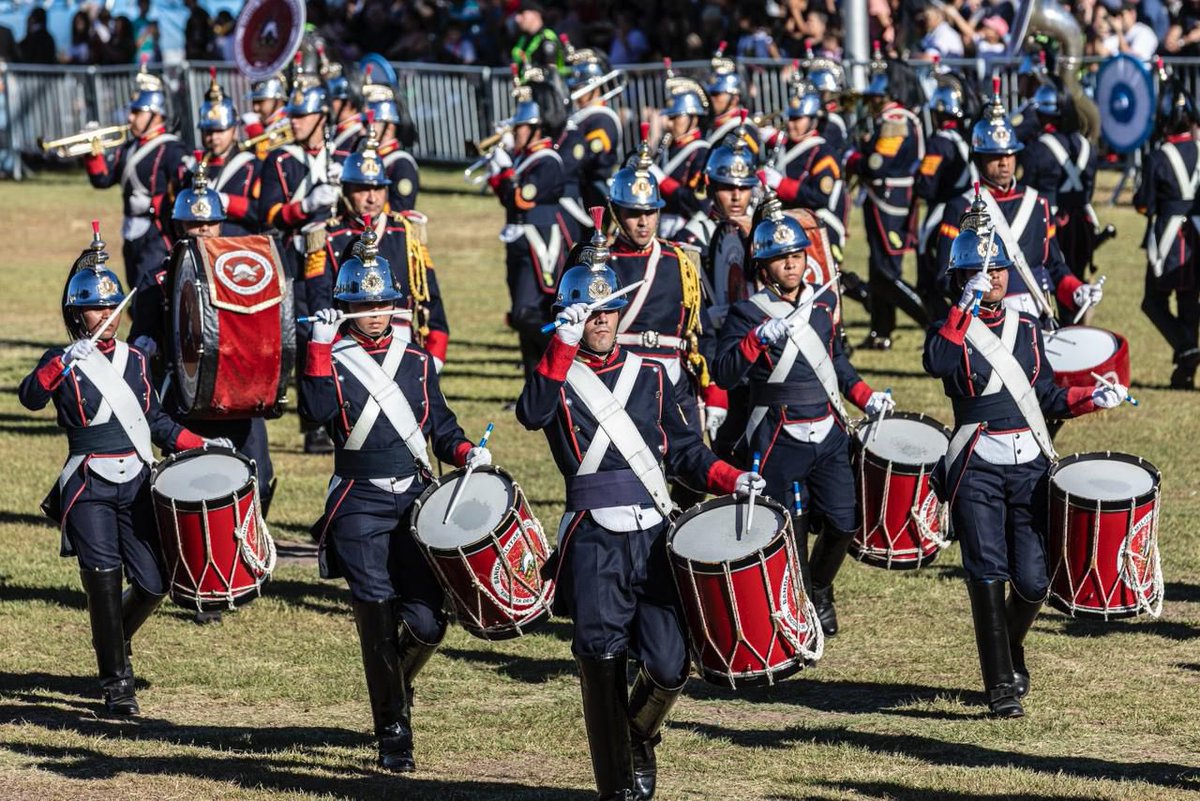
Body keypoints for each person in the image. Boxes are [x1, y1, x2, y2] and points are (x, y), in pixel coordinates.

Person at [516, 235, 764, 801]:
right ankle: (615, 788)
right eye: (588, 314)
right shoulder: (555, 372)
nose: (600, 322)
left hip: (652, 528)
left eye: (607, 311)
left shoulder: (653, 373)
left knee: (670, 662)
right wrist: (562, 342)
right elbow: (531, 414)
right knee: (600, 659)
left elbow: (686, 452)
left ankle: (634, 736)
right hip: (593, 536)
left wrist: (730, 477)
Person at [923, 191, 1127, 717]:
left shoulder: (1028, 328)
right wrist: (962, 307)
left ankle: (1008, 647)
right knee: (986, 570)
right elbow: (938, 363)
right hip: (976, 463)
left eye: (998, 271)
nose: (993, 279)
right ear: (962, 274)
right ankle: (1000, 687)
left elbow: (1047, 396)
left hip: (1029, 462)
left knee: (1035, 580)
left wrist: (1090, 398)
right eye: (981, 270)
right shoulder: (952, 328)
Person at [302, 231, 488, 772]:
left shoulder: (417, 360)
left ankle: (389, 689)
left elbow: (442, 426)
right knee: (377, 614)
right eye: (363, 304)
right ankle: (393, 731)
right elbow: (316, 413)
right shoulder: (330, 359)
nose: (376, 313)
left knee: (428, 624)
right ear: (346, 308)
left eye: (383, 303)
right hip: (358, 502)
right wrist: (316, 348)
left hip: (413, 498)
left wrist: (465, 451)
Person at [18, 225, 217, 715]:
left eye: (112, 307)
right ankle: (116, 681)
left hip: (136, 481)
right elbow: (29, 397)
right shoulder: (61, 361)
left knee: (153, 581)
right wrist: (62, 364)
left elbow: (154, 421)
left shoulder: (134, 360)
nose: (106, 316)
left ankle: (110, 639)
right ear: (77, 314)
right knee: (103, 579)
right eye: (95, 308)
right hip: (88, 484)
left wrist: (202, 443)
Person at [714, 198, 894, 636]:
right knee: (787, 530)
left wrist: (866, 397)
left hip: (828, 428)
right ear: (764, 265)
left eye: (796, 257)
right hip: (777, 430)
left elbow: (837, 363)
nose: (791, 266)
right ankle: (795, 609)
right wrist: (758, 338)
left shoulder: (819, 308)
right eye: (780, 260)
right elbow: (724, 371)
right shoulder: (746, 313)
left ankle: (819, 586)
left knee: (844, 522)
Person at [607, 134, 728, 507]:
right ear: (616, 212)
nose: (643, 222)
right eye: (633, 213)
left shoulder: (681, 261)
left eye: (650, 212)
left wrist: (715, 395)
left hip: (675, 382)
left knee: (693, 475)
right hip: (620, 379)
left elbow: (700, 334)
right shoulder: (598, 264)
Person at [935, 85, 1102, 329]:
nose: (1004, 162)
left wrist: (1077, 291)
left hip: (1037, 316)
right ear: (979, 158)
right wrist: (968, 293)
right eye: (994, 155)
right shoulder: (960, 207)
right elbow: (943, 277)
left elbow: (1054, 266)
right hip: (987, 322)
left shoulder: (1037, 203)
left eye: (1010, 154)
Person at [257, 64, 344, 454]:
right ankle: (314, 425)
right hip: (297, 255)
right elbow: (270, 213)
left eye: (303, 115)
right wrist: (305, 206)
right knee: (308, 333)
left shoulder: (342, 153)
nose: (294, 122)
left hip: (338, 254)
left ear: (321, 117)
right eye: (292, 115)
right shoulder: (279, 160)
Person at [310, 133, 449, 371]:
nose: (372, 198)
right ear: (346, 190)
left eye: (378, 188)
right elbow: (318, 302)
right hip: (348, 350)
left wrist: (434, 359)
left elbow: (430, 300)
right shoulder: (327, 237)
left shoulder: (407, 233)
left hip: (404, 346)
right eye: (362, 189)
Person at [483, 75, 567, 380]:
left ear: (535, 128)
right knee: (522, 315)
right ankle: (534, 383)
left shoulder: (548, 161)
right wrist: (501, 170)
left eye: (519, 126)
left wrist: (505, 169)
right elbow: (508, 197)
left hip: (538, 242)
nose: (513, 131)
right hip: (519, 240)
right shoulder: (527, 159)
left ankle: (567, 360)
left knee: (526, 314)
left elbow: (520, 198)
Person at [847, 53, 928, 350]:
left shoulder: (897, 119)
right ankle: (881, 331)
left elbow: (878, 163)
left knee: (887, 273)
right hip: (879, 197)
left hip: (890, 200)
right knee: (877, 267)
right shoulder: (887, 118)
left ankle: (931, 322)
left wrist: (853, 159)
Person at [83, 61, 187, 290]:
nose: (130, 118)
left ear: (156, 115)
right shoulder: (129, 147)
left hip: (157, 233)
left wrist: (158, 207)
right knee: (134, 292)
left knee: (149, 293)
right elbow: (102, 179)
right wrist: (93, 153)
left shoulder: (170, 149)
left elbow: (182, 190)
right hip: (131, 232)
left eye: (137, 112)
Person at [1134, 71, 1200, 389]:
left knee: (1153, 301)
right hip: (1196, 237)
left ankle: (1187, 348)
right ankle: (1185, 371)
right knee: (1189, 303)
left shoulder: (1157, 158)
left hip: (1168, 239)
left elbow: (1144, 204)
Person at [1018, 79, 1100, 280]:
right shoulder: (1088, 147)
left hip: (1048, 227)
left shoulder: (1037, 150)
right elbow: (1089, 191)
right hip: (1082, 225)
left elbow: (1026, 192)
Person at [759, 80, 848, 262]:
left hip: (818, 229)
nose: (791, 125)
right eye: (790, 119)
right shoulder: (783, 147)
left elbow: (819, 196)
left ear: (812, 120)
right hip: (789, 228)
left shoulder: (823, 153)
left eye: (797, 119)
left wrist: (781, 184)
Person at [916, 72, 977, 321]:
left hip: (943, 213)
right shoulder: (965, 138)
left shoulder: (938, 142)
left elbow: (925, 187)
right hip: (969, 207)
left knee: (933, 276)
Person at [557, 40, 623, 227]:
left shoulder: (602, 118)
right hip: (578, 192)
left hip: (593, 197)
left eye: (579, 87)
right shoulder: (579, 117)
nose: (575, 91)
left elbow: (589, 156)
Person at [187, 70, 259, 236]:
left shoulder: (251, 165)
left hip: (239, 244)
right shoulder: (193, 166)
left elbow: (261, 212)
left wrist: (226, 201)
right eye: (208, 132)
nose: (214, 137)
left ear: (234, 130)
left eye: (220, 131)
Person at [655, 86, 711, 242]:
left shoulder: (701, 152)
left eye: (676, 117)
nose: (669, 124)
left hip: (687, 229)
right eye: (669, 118)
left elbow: (697, 201)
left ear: (693, 118)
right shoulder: (668, 148)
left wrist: (662, 182)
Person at [363, 83, 421, 213]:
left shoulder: (401, 164)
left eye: (372, 123)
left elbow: (400, 212)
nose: (364, 129)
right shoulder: (368, 157)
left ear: (389, 127)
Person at [704, 44, 759, 152]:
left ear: (734, 98)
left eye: (717, 94)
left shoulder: (743, 128)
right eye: (711, 94)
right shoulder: (709, 127)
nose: (711, 99)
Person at [242, 73, 290, 161]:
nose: (255, 108)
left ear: (278, 100)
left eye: (261, 101)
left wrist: (256, 132)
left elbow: (265, 157)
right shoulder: (265, 122)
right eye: (254, 102)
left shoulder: (286, 122)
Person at [510, 0, 565, 76]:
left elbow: (551, 70)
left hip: (547, 87)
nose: (517, 18)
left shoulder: (547, 37)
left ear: (536, 14)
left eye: (522, 13)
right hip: (527, 86)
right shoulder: (522, 39)